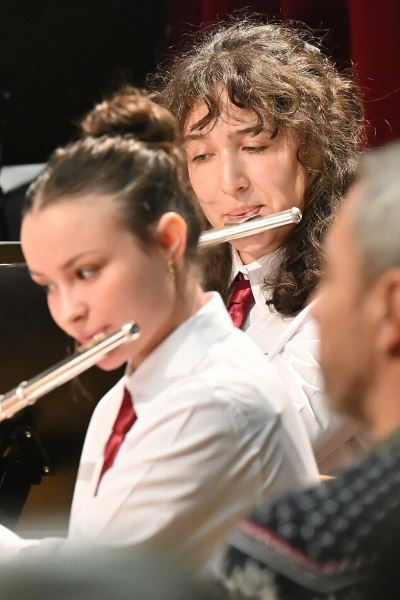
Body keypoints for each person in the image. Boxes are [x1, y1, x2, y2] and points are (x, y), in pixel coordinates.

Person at [0, 91, 318, 568]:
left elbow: (97, 586)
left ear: (169, 241)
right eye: (49, 285)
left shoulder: (216, 404)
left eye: (86, 272)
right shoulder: (120, 401)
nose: (69, 312)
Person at [154, 19, 367, 473]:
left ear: (314, 150)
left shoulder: (363, 293)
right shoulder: (199, 282)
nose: (229, 183)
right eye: (202, 156)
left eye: (254, 146)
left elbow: (254, 449)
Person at [218, 140, 400, 599]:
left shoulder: (296, 545)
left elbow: (242, 454)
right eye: (200, 156)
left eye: (335, 278)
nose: (319, 311)